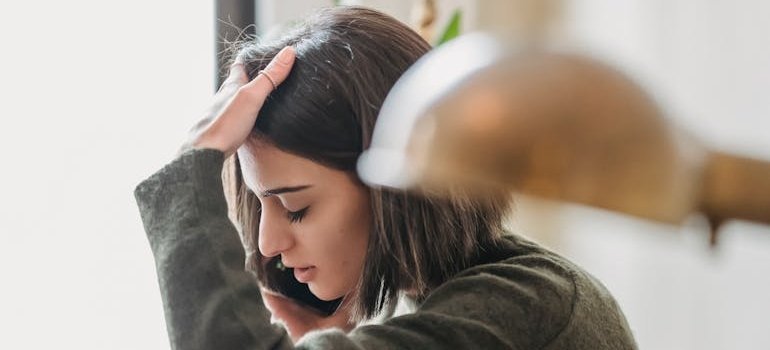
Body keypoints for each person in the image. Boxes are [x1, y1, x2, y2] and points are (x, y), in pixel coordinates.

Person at [134, 6, 637, 350]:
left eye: (297, 208)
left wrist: (189, 170)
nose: (267, 242)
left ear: (392, 187)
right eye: (262, 204)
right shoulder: (450, 296)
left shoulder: (530, 307)